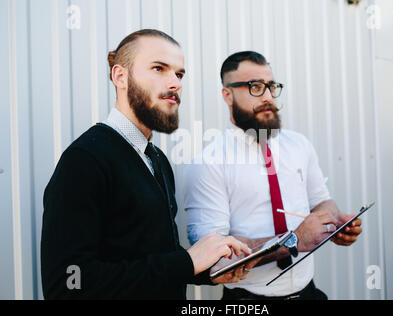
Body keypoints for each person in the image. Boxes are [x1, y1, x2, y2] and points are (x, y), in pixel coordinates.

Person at [40, 29, 253, 300]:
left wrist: (206, 271)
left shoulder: (157, 160)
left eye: (179, 74)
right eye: (159, 68)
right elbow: (68, 286)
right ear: (121, 77)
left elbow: (150, 256)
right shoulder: (85, 160)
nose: (175, 83)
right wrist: (187, 262)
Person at [183, 51, 363, 300]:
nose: (268, 97)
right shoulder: (208, 164)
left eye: (271, 86)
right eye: (255, 87)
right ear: (228, 94)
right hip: (248, 300)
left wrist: (335, 224)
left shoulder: (299, 144)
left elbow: (322, 201)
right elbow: (215, 257)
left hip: (308, 292)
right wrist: (294, 240)